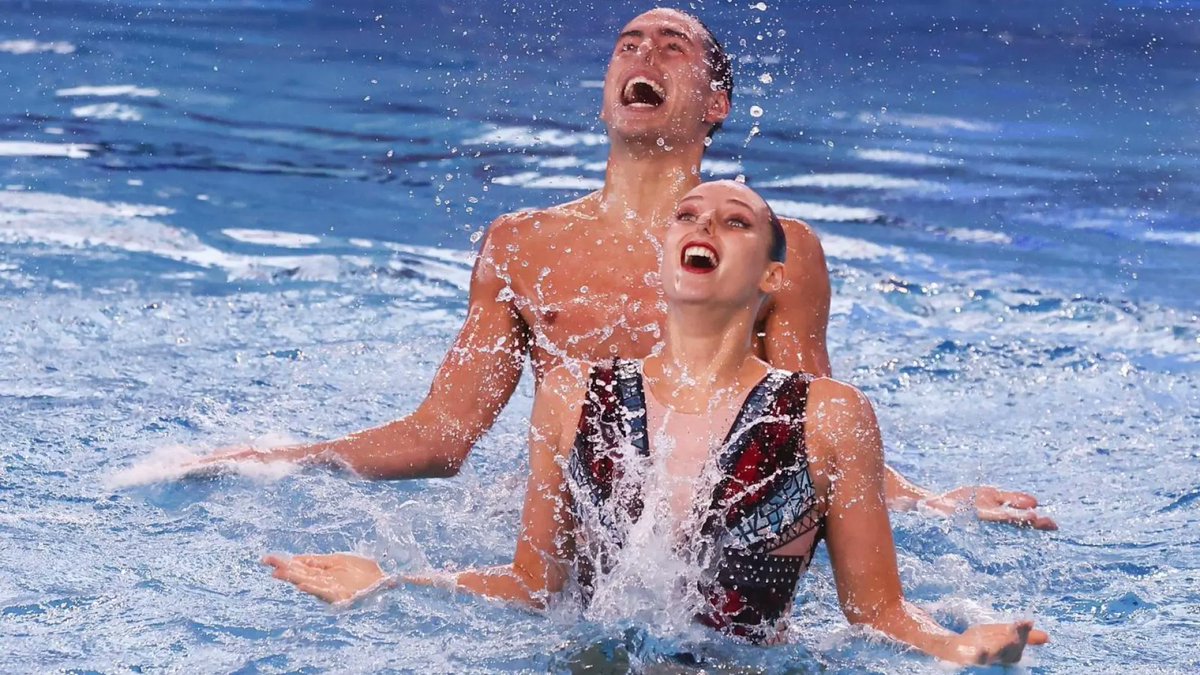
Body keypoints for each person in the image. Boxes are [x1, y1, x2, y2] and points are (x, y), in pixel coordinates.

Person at [198, 8, 1054, 529]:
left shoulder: (773, 249)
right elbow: (443, 435)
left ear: (716, 104)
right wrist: (277, 459)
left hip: (709, 539)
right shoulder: (521, 244)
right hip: (558, 532)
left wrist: (931, 503)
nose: (642, 57)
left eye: (671, 47)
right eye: (627, 45)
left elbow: (810, 425)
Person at [263, 182, 1050, 665]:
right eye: (688, 215)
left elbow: (876, 613)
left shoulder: (829, 416)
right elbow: (534, 587)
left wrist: (960, 646)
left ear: (773, 275)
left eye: (736, 221)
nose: (704, 225)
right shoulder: (573, 395)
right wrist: (393, 582)